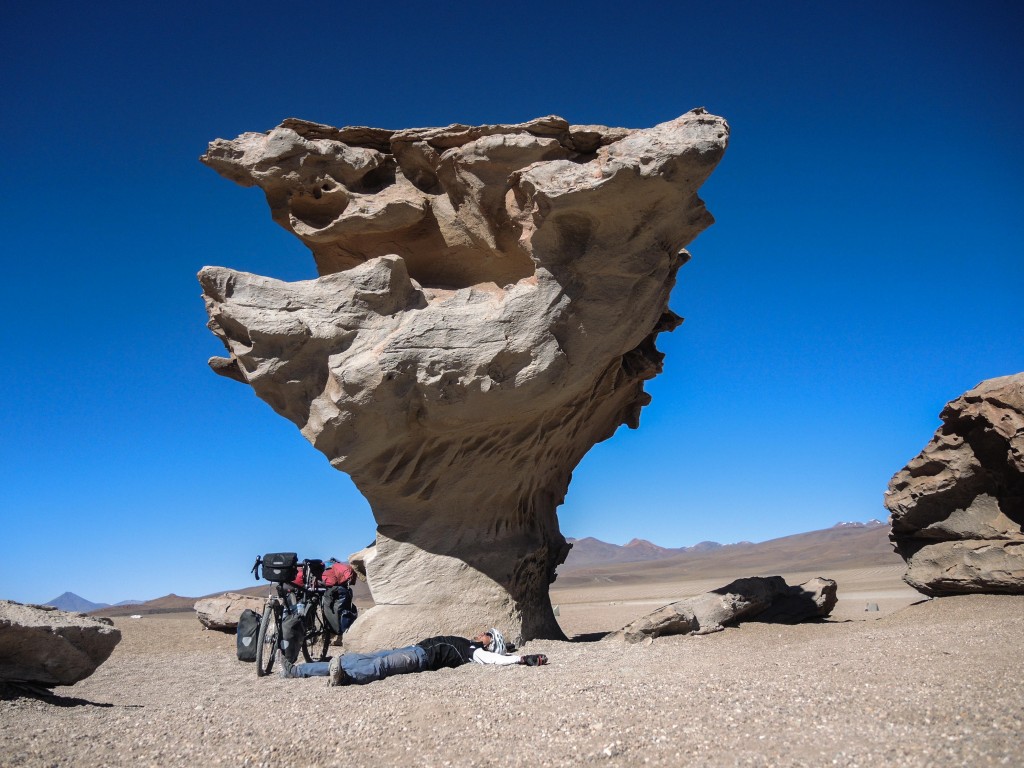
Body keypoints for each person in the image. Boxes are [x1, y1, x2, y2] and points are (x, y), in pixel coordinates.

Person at [277, 628, 548, 686]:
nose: (482, 632)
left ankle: (345, 678)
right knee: (357, 656)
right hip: (412, 649)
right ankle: (296, 671)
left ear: (491, 644)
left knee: (379, 666)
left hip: (418, 660)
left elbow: (494, 661)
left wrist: (521, 659)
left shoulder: (474, 653)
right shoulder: (469, 645)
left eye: (488, 633)